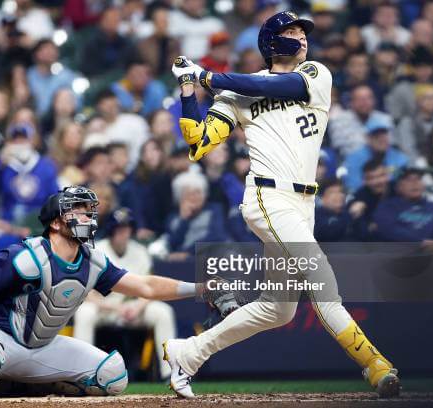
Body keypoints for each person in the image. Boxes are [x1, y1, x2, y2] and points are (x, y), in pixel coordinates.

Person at [165, 11, 401, 399]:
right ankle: (376, 366)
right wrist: (189, 88)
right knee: (322, 281)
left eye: (302, 31)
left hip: (304, 202)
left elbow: (282, 86)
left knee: (278, 309)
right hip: (267, 197)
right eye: (291, 31)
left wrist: (207, 76)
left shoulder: (314, 75)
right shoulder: (238, 91)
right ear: (272, 42)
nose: (301, 38)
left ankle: (187, 353)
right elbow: (200, 141)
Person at [0, 186, 237, 400]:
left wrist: (200, 288)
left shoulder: (94, 261)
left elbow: (144, 286)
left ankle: (17, 385)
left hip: (41, 346)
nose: (87, 218)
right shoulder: (27, 254)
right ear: (55, 222)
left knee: (115, 376)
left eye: (89, 212)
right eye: (77, 212)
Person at [73, 208, 176, 380]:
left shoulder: (140, 252)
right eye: (119, 229)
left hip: (132, 308)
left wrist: (137, 306)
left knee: (163, 311)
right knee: (85, 312)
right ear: (111, 230)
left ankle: (170, 373)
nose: (124, 232)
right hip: (104, 307)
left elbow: (149, 287)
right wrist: (113, 306)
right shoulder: (95, 250)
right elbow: (86, 292)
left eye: (127, 228)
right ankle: (82, 374)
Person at [372, 168, 433, 243]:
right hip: (400, 252)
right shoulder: (387, 207)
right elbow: (388, 230)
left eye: (418, 179)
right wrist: (420, 242)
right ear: (398, 187)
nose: (415, 183)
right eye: (408, 180)